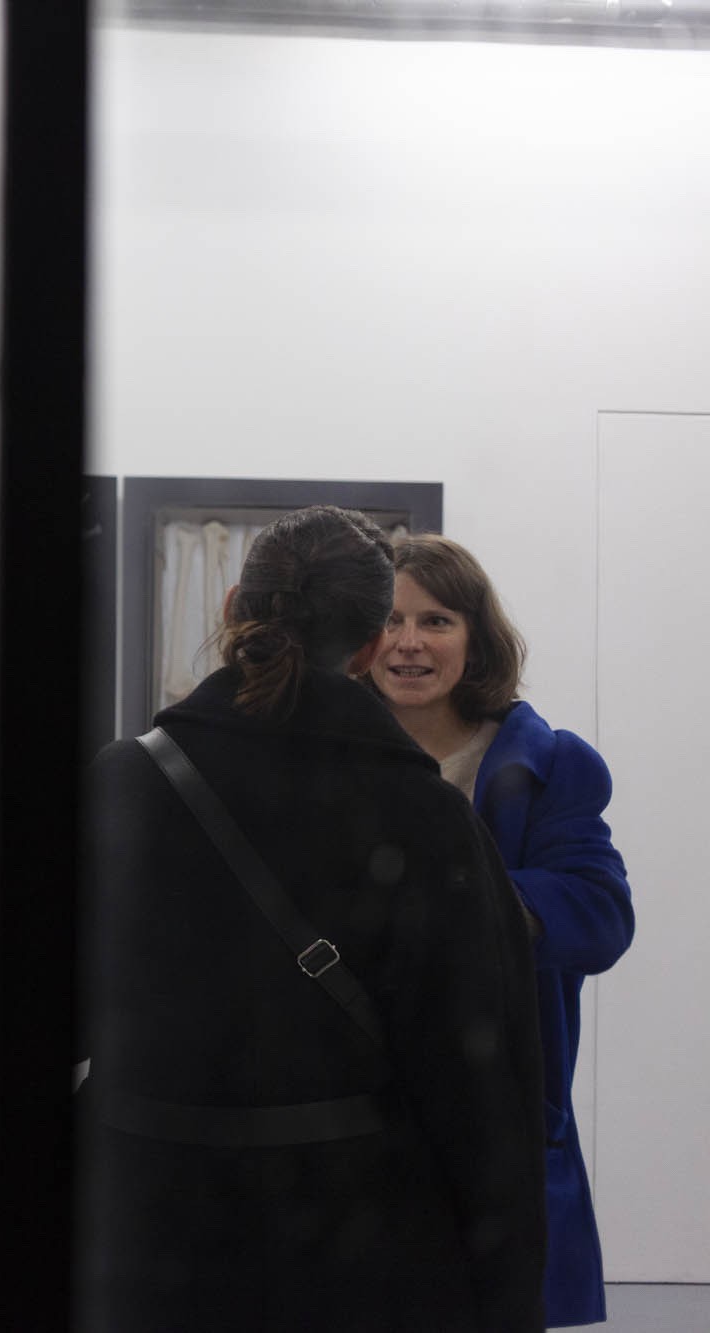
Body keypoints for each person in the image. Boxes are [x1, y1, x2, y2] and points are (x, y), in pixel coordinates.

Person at [77, 505, 547, 1332]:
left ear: (233, 608)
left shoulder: (123, 783)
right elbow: (479, 1084)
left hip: (142, 1230)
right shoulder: (425, 815)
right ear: (368, 648)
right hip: (349, 1242)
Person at [372, 532, 632, 1329]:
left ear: (476, 637)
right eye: (389, 620)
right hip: (355, 1106)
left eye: (436, 620)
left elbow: (599, 912)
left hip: (496, 1108)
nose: (408, 641)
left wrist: (451, 906)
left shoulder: (549, 764)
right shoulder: (325, 762)